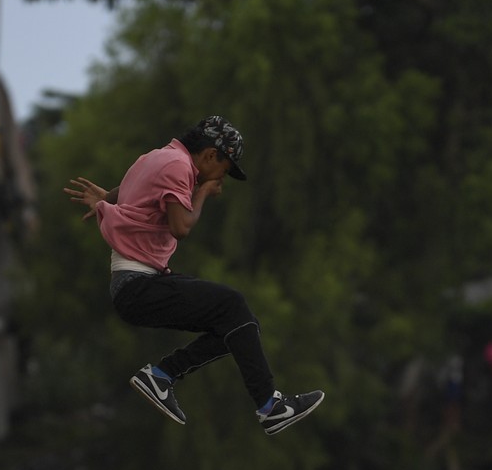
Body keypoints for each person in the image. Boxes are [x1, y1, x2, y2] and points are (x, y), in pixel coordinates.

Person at [64, 116, 324, 437]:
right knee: (232, 304)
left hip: (136, 284)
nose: (221, 179)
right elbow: (181, 227)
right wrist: (201, 192)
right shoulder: (178, 167)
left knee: (239, 324)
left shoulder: (154, 157)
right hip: (139, 286)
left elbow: (127, 191)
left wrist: (106, 197)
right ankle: (269, 406)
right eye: (224, 170)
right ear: (211, 155)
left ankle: (163, 376)